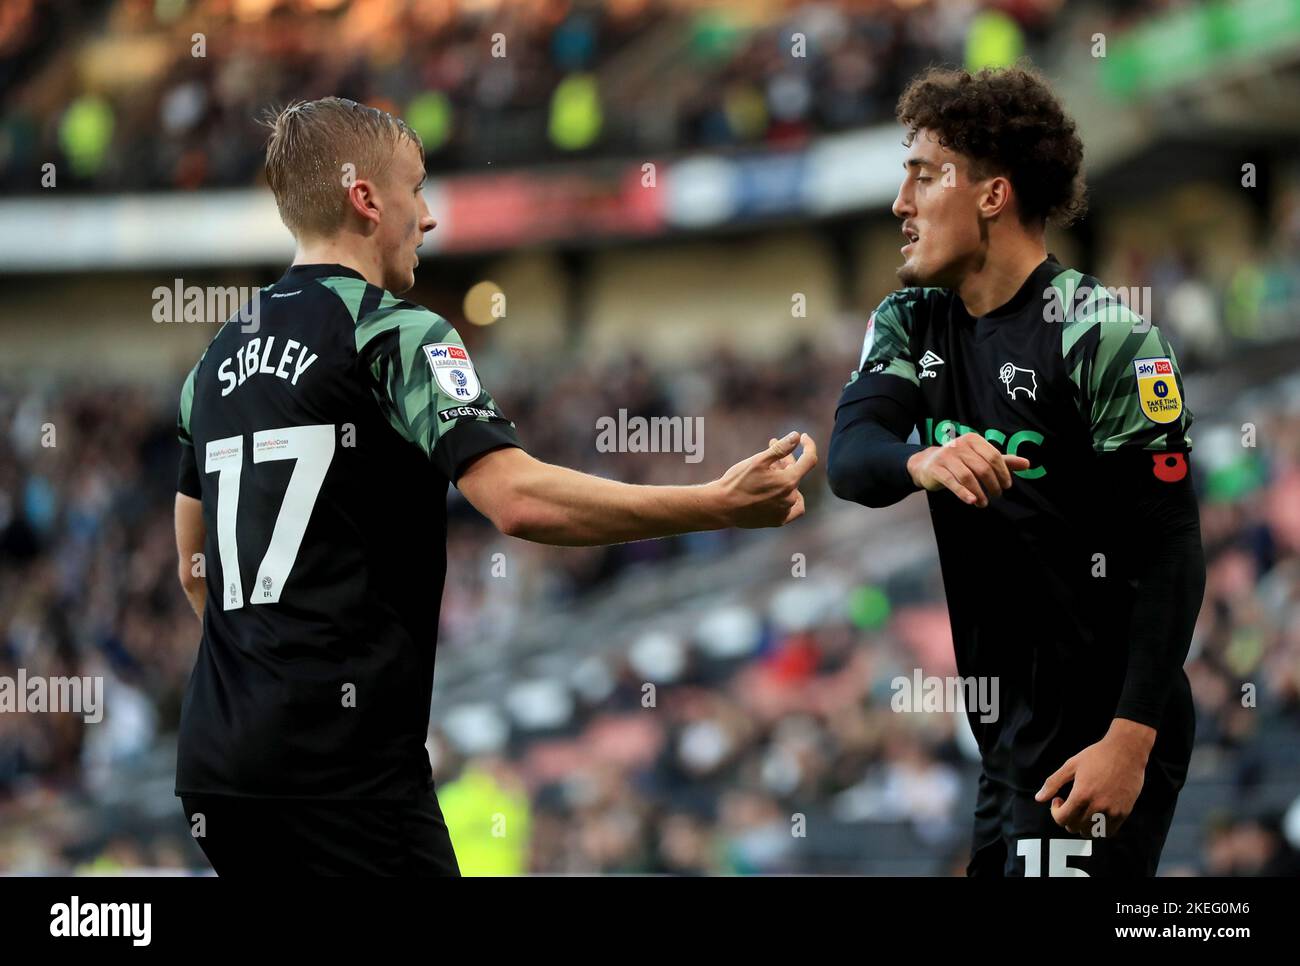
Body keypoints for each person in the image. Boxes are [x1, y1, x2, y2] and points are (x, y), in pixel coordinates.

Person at [172, 97, 816, 876]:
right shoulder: (394, 332)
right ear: (366, 199)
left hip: (219, 764)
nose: (431, 216)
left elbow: (191, 566)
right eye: (418, 188)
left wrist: (260, 682)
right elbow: (516, 500)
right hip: (341, 766)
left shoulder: (213, 362)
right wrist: (712, 504)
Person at [827, 67, 1205, 877]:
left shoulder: (1103, 335)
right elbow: (852, 461)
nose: (901, 203)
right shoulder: (909, 318)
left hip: (1100, 731)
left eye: (923, 177)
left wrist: (1129, 744)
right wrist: (920, 458)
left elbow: (1172, 550)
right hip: (1006, 735)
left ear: (992, 196)